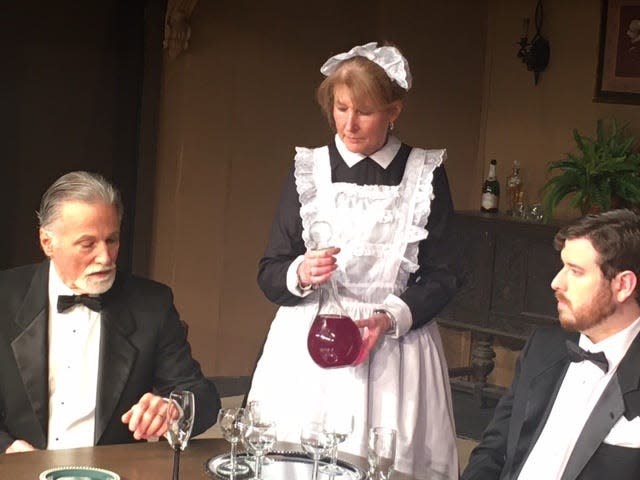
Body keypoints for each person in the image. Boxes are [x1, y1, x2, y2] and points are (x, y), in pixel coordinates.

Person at [247, 42, 459, 479]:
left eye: (364, 111)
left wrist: (388, 317)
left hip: (396, 351)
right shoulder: (309, 170)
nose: (349, 123)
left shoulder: (424, 173)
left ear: (393, 111)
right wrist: (301, 272)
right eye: (340, 109)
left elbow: (447, 272)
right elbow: (270, 270)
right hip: (309, 349)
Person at [0, 171, 220, 454]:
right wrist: (8, 449)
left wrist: (173, 408)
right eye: (88, 244)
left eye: (112, 240)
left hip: (113, 472)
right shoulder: (5, 297)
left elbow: (203, 397)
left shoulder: (151, 303)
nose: (105, 257)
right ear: (47, 242)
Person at [461, 209, 640, 480]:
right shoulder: (543, 346)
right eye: (562, 267)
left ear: (623, 285)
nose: (556, 282)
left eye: (575, 272)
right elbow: (493, 450)